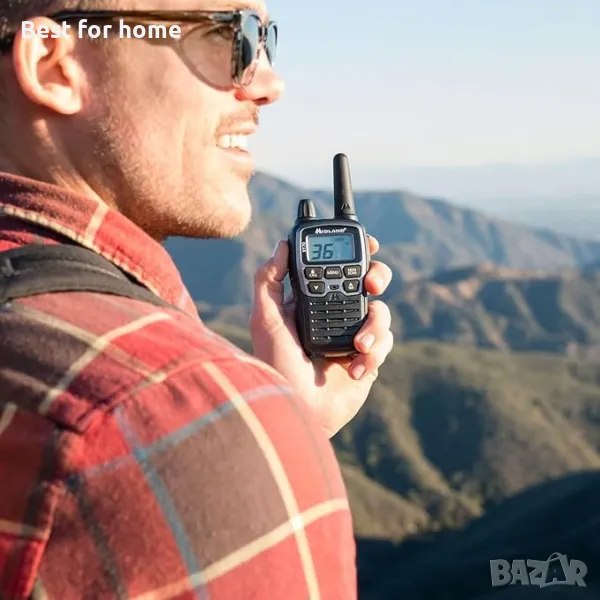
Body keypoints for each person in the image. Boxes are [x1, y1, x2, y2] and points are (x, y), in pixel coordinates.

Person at [0, 1, 394, 598]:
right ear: (55, 65)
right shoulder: (162, 409)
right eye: (227, 34)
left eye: (266, 38)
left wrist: (290, 426)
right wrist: (255, 439)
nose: (269, 83)